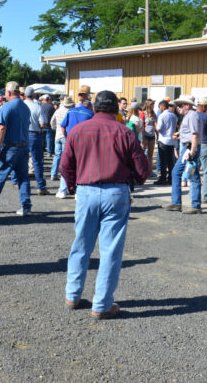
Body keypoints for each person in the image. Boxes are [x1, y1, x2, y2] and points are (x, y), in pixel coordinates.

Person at [61, 90, 150, 319]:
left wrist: (73, 187)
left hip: (86, 190)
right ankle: (101, 304)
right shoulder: (124, 132)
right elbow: (142, 171)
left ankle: (73, 294)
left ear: (95, 107)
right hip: (115, 192)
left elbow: (65, 166)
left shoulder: (78, 130)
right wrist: (135, 179)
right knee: (110, 250)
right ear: (115, 109)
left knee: (81, 244)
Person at [0, 82, 33, 215]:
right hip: (23, 146)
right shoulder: (25, 107)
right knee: (23, 178)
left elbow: (1, 127)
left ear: (8, 93)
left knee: (0, 175)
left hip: (11, 146)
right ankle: (26, 207)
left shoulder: (7, 107)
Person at [164, 95, 202, 214]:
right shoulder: (188, 116)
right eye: (177, 105)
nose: (178, 108)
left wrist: (192, 151)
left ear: (187, 105)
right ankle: (182, 203)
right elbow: (191, 134)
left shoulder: (192, 115)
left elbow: (195, 135)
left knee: (190, 174)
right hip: (187, 147)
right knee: (188, 173)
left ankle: (191, 204)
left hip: (190, 148)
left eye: (180, 105)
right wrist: (181, 136)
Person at [23, 86, 49, 195]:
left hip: (22, 134)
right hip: (34, 134)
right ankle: (41, 186)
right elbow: (43, 123)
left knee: (22, 161)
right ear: (33, 95)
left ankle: (22, 185)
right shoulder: (37, 106)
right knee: (37, 161)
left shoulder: (20, 105)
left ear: (24, 95)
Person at [51, 96, 74, 198]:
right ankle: (62, 174)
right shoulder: (70, 112)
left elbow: (52, 122)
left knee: (57, 156)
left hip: (57, 136)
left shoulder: (58, 111)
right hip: (65, 136)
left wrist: (55, 128)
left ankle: (53, 173)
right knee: (66, 160)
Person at [154, 99, 177, 185]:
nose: (159, 108)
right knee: (170, 161)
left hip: (163, 140)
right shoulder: (174, 115)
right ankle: (170, 178)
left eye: (159, 107)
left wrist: (155, 126)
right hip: (171, 140)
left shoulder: (162, 116)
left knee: (163, 161)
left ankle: (163, 178)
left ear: (163, 107)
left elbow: (159, 128)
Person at [140, 99, 157, 173]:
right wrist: (142, 137)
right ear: (148, 105)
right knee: (142, 154)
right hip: (145, 135)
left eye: (153, 104)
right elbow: (141, 125)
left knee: (150, 155)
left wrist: (158, 135)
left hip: (152, 135)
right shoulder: (143, 113)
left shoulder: (154, 114)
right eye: (152, 104)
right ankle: (141, 170)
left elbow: (156, 125)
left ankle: (150, 171)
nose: (153, 106)